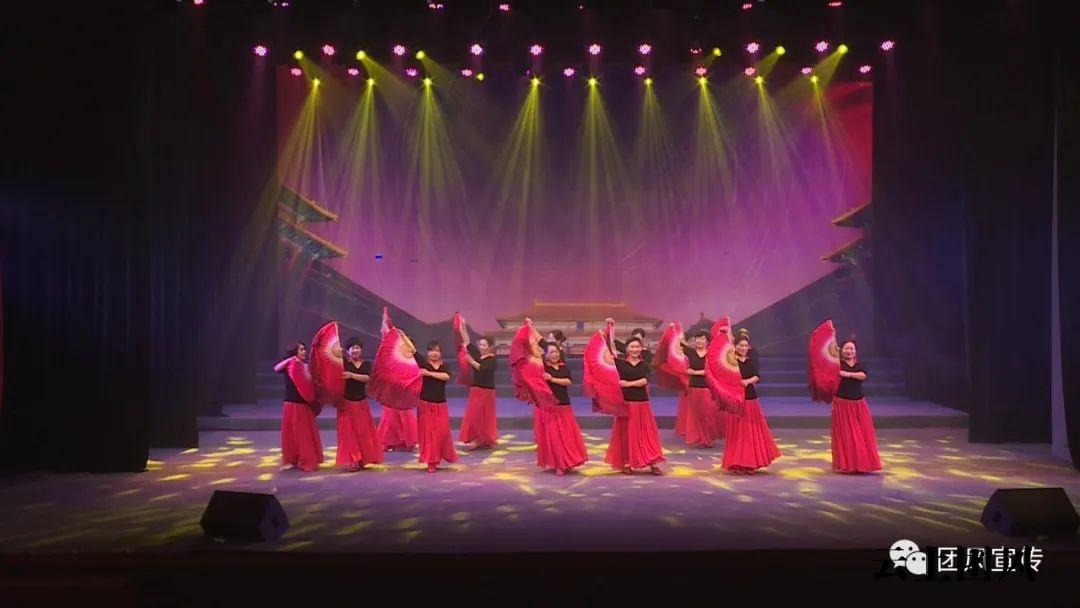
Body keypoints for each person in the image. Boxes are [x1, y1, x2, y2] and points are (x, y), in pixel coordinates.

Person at [721, 335, 781, 473]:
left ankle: (750, 463)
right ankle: (736, 463)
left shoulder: (751, 360)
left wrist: (747, 381)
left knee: (750, 433)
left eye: (745, 346)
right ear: (735, 346)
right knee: (737, 434)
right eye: (740, 345)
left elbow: (756, 376)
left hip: (750, 399)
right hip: (735, 400)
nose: (743, 348)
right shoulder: (731, 362)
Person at [605, 336, 665, 475]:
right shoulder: (620, 364)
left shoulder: (645, 365)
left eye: (637, 347)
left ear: (641, 348)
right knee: (626, 434)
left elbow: (644, 381)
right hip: (625, 404)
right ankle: (627, 462)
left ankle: (652, 462)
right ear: (626, 349)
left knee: (646, 434)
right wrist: (607, 332)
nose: (635, 349)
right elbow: (606, 354)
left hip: (641, 404)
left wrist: (628, 384)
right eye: (632, 347)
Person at [830, 339, 882, 473]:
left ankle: (863, 463)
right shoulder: (837, 365)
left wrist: (847, 374)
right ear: (841, 350)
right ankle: (850, 464)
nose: (849, 351)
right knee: (848, 436)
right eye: (846, 348)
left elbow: (862, 376)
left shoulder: (860, 364)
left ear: (855, 351)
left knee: (862, 434)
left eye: (851, 349)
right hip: (842, 404)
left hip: (859, 404)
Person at [539, 343, 589, 475]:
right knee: (555, 438)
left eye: (556, 352)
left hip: (565, 405)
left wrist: (552, 379)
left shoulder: (563, 367)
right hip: (550, 407)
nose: (554, 354)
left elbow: (568, 381)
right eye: (551, 352)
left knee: (568, 437)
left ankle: (569, 461)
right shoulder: (543, 368)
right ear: (546, 355)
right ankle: (559, 464)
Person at [274, 342, 324, 472]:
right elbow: (276, 368)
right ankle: (294, 459)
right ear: (294, 352)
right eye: (301, 349)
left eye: (304, 349)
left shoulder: (305, 366)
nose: (304, 352)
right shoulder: (289, 365)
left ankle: (306, 460)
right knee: (293, 435)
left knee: (304, 435)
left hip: (303, 404)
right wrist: (290, 359)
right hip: (291, 403)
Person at [338, 337, 382, 471]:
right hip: (346, 403)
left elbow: (367, 378)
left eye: (358, 348)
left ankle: (363, 458)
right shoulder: (343, 363)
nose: (356, 350)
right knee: (349, 433)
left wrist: (351, 375)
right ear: (348, 350)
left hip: (361, 403)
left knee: (363, 432)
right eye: (353, 348)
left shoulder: (365, 364)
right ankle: (352, 460)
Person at [415, 341, 457, 472]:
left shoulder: (445, 365)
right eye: (431, 350)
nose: (434, 353)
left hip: (440, 404)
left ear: (441, 353)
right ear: (428, 352)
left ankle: (441, 455)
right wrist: (401, 336)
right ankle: (431, 461)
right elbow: (413, 351)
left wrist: (428, 373)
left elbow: (446, 377)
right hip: (425, 404)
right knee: (429, 435)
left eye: (437, 351)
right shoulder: (423, 364)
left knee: (442, 432)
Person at [458, 327, 499, 450]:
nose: (481, 347)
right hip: (476, 390)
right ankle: (477, 438)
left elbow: (482, 369)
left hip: (486, 391)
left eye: (484, 345)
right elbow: (467, 342)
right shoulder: (478, 355)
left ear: (490, 347)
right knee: (474, 415)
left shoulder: (492, 360)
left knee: (484, 417)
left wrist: (471, 361)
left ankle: (483, 439)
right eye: (480, 345)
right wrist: (462, 327)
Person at [681, 330, 723, 447]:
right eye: (697, 338)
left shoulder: (711, 354)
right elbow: (676, 345)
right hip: (693, 387)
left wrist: (694, 372)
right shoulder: (691, 352)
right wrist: (674, 329)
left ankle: (709, 438)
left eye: (702, 339)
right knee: (695, 414)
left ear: (707, 341)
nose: (699, 341)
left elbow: (711, 371)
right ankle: (699, 438)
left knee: (707, 414)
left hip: (707, 388)